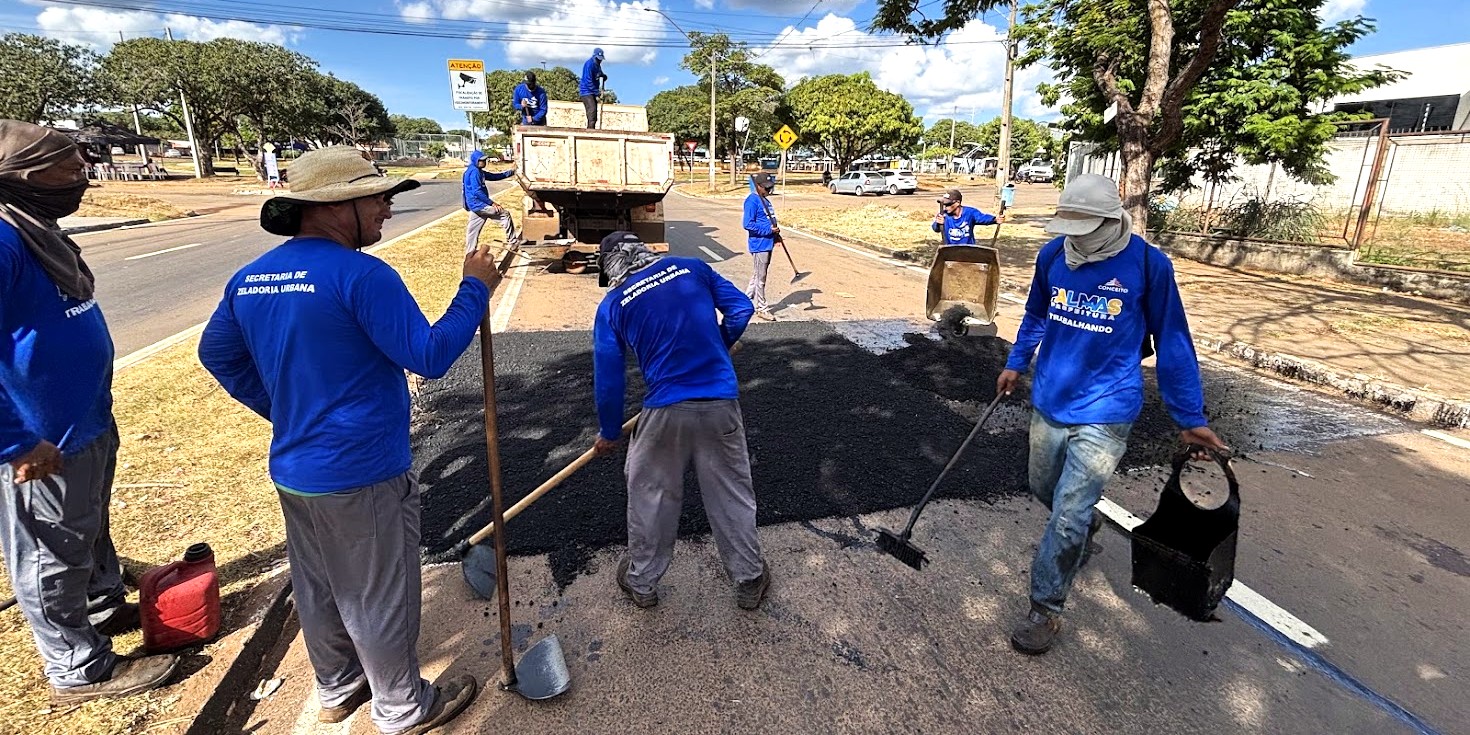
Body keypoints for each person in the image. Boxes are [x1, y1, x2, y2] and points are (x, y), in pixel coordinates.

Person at [199, 146, 502, 734]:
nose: (388, 209)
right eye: (380, 198)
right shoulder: (363, 275)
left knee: (319, 585)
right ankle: (403, 707)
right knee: (377, 593)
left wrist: (287, 412)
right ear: (340, 205)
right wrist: (475, 288)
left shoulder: (251, 277)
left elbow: (217, 354)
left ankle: (338, 688)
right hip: (361, 470)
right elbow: (431, 355)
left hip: (296, 469)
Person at [996, 173, 1229, 656]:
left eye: (1082, 227)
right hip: (1051, 398)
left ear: (1108, 219)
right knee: (1044, 489)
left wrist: (1189, 415)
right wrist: (1016, 363)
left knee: (1067, 513)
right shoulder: (1053, 256)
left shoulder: (1148, 265)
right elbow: (1036, 315)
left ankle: (1045, 609)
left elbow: (1173, 341)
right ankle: (1087, 528)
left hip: (1108, 408)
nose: (1072, 237)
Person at [0, 120, 179, 704]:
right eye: (69, 166)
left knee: (85, 527)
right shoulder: (2, 240)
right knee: (47, 552)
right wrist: (15, 444)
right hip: (40, 443)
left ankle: (102, 605)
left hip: (83, 422)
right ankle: (76, 666)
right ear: (24, 175)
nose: (82, 175)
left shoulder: (35, 230)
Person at [591, 231, 770, 611]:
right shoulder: (693, 268)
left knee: (651, 497)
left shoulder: (613, 305)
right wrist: (719, 346)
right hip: (720, 404)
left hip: (663, 413)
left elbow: (609, 379)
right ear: (645, 251)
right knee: (731, 495)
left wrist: (609, 432)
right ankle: (749, 580)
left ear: (612, 269)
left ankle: (642, 583)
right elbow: (741, 309)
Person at [462, 149, 517, 255]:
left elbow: (494, 176)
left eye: (485, 160)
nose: (484, 162)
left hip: (475, 207)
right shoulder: (474, 172)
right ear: (475, 161)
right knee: (505, 214)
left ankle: (469, 254)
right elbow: (477, 191)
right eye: (481, 160)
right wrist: (492, 203)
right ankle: (513, 242)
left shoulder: (478, 171)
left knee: (472, 232)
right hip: (479, 205)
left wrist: (511, 171)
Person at [742, 172, 779, 321]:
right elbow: (747, 224)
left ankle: (743, 303)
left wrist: (776, 234)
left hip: (768, 242)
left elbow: (769, 220)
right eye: (766, 188)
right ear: (758, 186)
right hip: (759, 244)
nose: (768, 191)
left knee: (757, 275)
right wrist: (768, 230)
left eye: (770, 188)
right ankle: (761, 308)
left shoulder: (765, 200)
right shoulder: (752, 201)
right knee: (761, 278)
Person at [932, 188, 1002, 245]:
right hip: (950, 250)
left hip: (968, 250)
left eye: (948, 204)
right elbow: (935, 228)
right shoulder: (944, 215)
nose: (946, 207)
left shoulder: (970, 213)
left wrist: (995, 219)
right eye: (944, 205)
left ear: (957, 203)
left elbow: (982, 218)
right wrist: (938, 223)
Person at [580, 48, 608, 129]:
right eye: (598, 59)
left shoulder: (597, 64)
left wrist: (603, 75)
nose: (599, 61)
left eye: (601, 59)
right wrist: (597, 93)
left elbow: (599, 73)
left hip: (592, 92)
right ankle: (590, 133)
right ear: (594, 56)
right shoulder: (589, 64)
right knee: (592, 112)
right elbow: (588, 81)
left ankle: (591, 130)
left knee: (594, 115)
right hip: (586, 92)